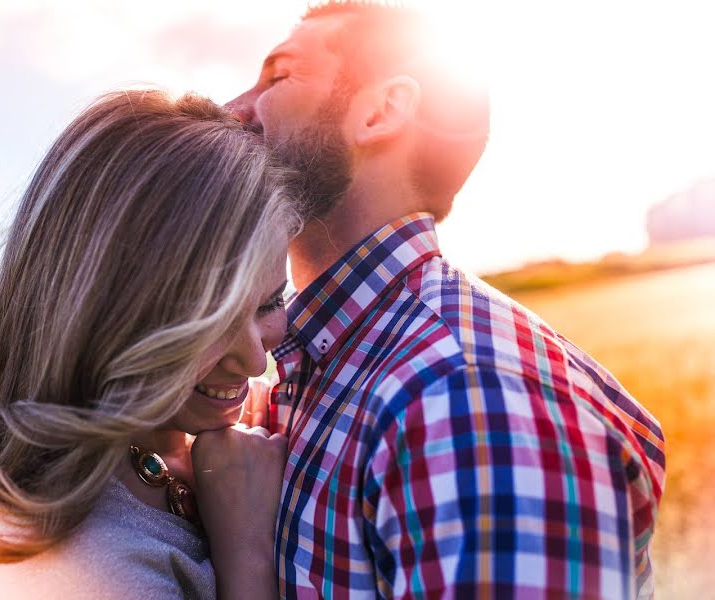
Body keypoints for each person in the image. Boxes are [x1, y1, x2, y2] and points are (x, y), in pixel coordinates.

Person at [227, 2, 666, 598]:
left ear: (381, 111)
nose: (233, 109)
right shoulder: (313, 365)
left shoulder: (469, 402)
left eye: (279, 76)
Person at [0, 89, 300, 600]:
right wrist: (246, 554)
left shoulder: (175, 444)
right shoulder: (75, 566)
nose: (255, 360)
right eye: (209, 324)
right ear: (106, 316)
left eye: (270, 303)